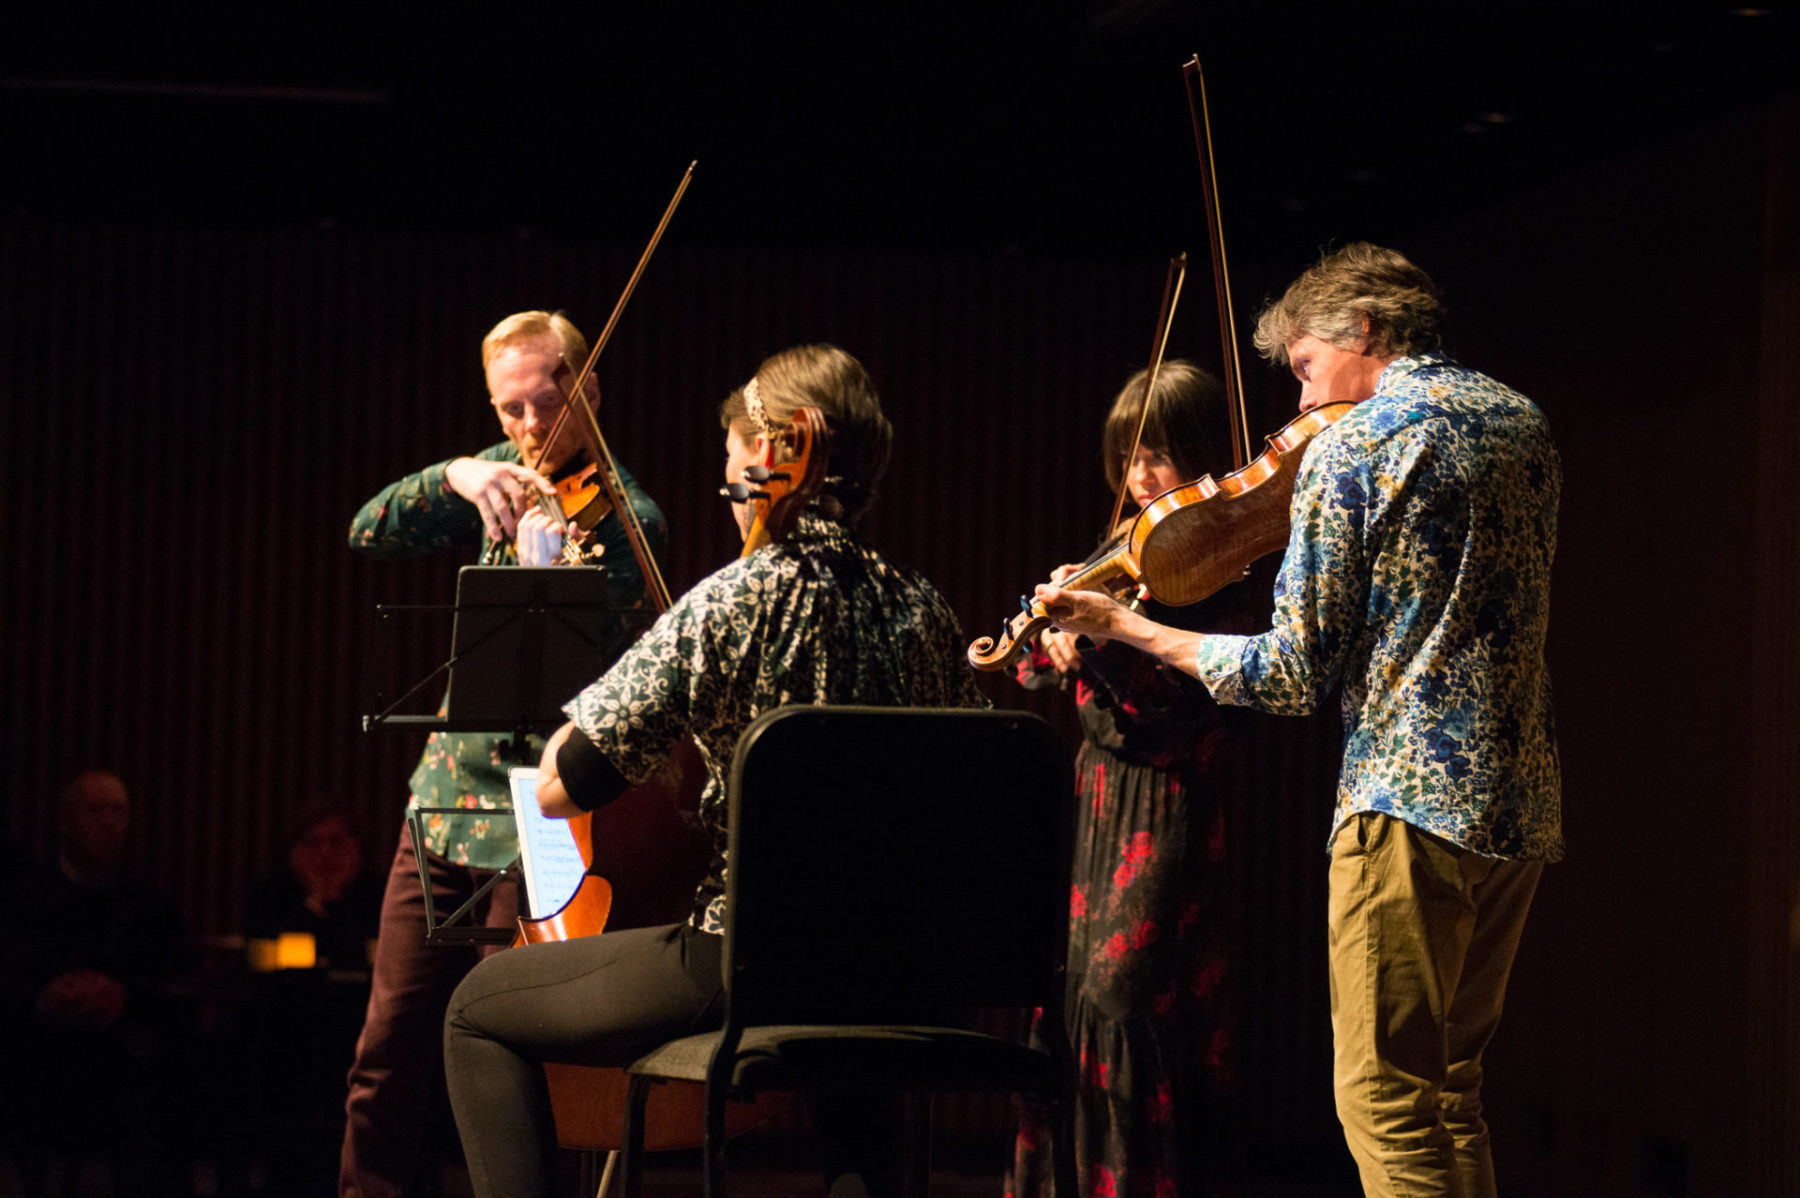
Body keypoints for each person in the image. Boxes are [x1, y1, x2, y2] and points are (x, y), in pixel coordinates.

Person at [1038, 243, 1561, 1198]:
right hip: (1519, 799)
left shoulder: (1352, 446)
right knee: (1452, 1092)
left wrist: (1129, 628)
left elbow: (1288, 675)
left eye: (1306, 368)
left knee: (1388, 1102)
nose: (1300, 401)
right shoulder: (1519, 421)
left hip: (1406, 798)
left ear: (1362, 331)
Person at [442, 343, 985, 1198]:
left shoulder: (731, 601)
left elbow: (559, 787)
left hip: (748, 955)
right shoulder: (923, 608)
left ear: (773, 459)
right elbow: (970, 789)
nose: (725, 486)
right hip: (895, 966)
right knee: (849, 1012)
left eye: (732, 461)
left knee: (474, 1011)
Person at [343, 310, 667, 1197]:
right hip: (446, 802)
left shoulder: (627, 519)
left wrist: (560, 573)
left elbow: (609, 679)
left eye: (543, 407)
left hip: (547, 819)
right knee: (385, 1055)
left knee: (514, 1057)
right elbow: (369, 532)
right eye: (508, 410)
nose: (527, 431)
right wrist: (453, 474)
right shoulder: (494, 482)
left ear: (587, 391)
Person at [1007, 361, 1255, 1198]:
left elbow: (1192, 709)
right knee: (1071, 995)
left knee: (1126, 1000)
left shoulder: (1228, 568)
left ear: (1199, 457)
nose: (1138, 478)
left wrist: (1110, 646)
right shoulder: (1126, 551)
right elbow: (1035, 674)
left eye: (1156, 457)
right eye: (1127, 459)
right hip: (1098, 795)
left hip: (1169, 801)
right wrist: (1053, 642)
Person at [1, 771, 189, 1197]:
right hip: (39, 1048)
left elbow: (171, 981)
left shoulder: (151, 908)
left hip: (121, 1051)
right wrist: (43, 998)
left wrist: (125, 995)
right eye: (95, 810)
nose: (108, 821)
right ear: (66, 822)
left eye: (117, 811)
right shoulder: (24, 899)